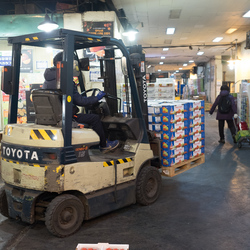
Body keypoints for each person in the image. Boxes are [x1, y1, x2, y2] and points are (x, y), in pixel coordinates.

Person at [43, 52, 119, 153]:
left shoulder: (48, 80)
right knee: (95, 118)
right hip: (66, 117)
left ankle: (94, 144)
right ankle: (104, 145)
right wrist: (97, 98)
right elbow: (80, 101)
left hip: (53, 117)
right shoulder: (65, 80)